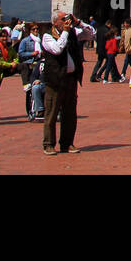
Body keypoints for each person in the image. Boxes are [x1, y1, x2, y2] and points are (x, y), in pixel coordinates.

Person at [41, 11, 95, 155]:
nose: (66, 21)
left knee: (70, 114)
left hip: (70, 79)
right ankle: (48, 144)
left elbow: (91, 34)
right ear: (55, 22)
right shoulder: (47, 36)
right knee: (51, 113)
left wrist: (79, 23)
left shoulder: (72, 32)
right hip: (55, 80)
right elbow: (57, 49)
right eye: (62, 19)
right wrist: (65, 32)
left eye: (67, 18)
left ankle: (67, 143)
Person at [18, 23, 42, 120]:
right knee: (29, 89)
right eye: (33, 29)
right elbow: (20, 53)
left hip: (39, 64)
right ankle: (29, 111)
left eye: (37, 29)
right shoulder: (25, 41)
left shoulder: (41, 40)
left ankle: (40, 108)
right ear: (30, 31)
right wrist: (32, 53)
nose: (36, 31)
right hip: (29, 65)